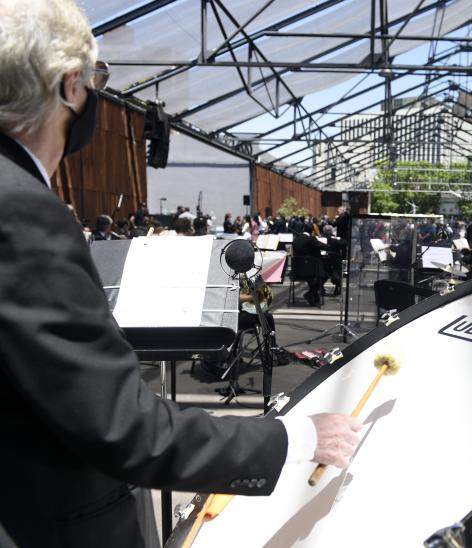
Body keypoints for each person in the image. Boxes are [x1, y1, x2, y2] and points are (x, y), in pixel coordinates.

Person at [0, 3, 360, 546]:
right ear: (71, 86)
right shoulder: (20, 210)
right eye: (97, 79)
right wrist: (295, 438)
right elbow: (122, 427)